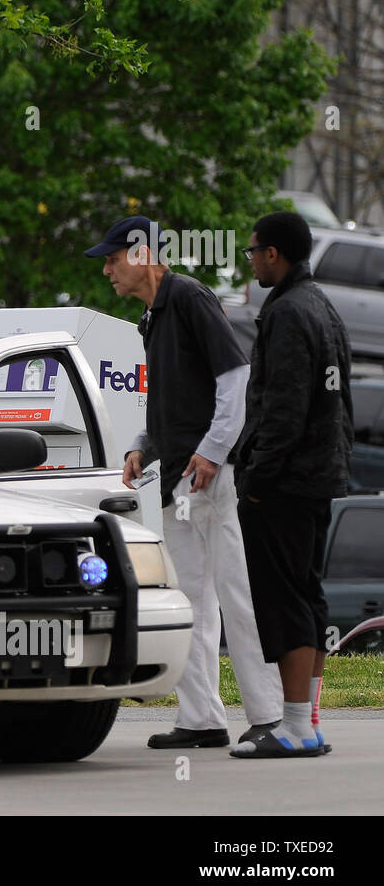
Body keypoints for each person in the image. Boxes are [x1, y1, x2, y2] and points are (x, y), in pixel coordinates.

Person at [85, 215, 283, 749]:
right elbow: (167, 398)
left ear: (142, 255)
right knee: (190, 601)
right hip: (178, 480)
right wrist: (142, 445)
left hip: (215, 480)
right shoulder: (154, 316)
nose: (107, 269)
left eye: (112, 258)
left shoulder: (190, 299)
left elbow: (233, 378)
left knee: (237, 594)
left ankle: (268, 716)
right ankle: (202, 718)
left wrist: (212, 454)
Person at [231, 211, 354, 758]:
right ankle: (308, 720)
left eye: (254, 251)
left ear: (274, 254)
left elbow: (283, 408)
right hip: (320, 477)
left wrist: (257, 478)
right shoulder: (323, 306)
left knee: (285, 601)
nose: (251, 259)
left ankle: (296, 726)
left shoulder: (284, 312)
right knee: (306, 593)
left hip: (284, 483)